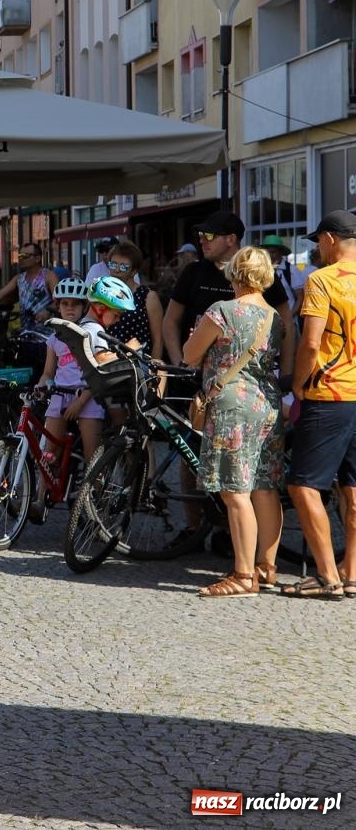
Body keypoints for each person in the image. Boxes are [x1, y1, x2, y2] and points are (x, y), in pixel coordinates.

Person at [181, 246, 284, 598]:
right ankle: (266, 568)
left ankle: (242, 574)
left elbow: (190, 354)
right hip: (267, 405)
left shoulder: (222, 311)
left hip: (232, 407)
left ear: (234, 273)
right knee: (264, 488)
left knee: (234, 490)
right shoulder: (275, 316)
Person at [286, 211, 356, 597]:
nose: (317, 248)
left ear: (330, 238)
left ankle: (327, 577)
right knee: (353, 486)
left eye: (318, 241)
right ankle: (351, 573)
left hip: (329, 392)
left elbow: (311, 342)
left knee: (303, 486)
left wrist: (298, 384)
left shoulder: (322, 279)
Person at [161, 212, 294, 391]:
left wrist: (285, 375)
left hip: (249, 383)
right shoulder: (193, 272)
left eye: (209, 235)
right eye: (201, 235)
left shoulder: (258, 276)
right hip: (193, 379)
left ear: (231, 239)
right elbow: (170, 321)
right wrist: (180, 366)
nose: (202, 240)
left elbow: (287, 324)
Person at [36, 278, 103, 470]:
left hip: (87, 395)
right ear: (58, 306)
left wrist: (80, 402)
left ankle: (92, 497)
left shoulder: (90, 334)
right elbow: (48, 372)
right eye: (65, 303)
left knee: (93, 458)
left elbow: (98, 373)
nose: (70, 308)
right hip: (60, 394)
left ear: (84, 306)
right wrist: (40, 387)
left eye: (75, 304)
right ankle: (41, 496)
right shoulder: (54, 339)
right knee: (50, 453)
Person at [103, 241, 165, 360]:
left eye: (123, 266)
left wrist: (153, 370)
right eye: (113, 264)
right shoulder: (103, 294)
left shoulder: (148, 296)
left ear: (134, 271)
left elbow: (158, 340)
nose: (116, 270)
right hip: (106, 364)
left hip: (138, 365)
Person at [0, 240, 58, 326]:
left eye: (25, 256)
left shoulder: (49, 276)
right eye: (20, 255)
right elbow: (0, 294)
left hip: (47, 332)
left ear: (37, 258)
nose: (21, 259)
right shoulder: (19, 278)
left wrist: (48, 310)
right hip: (25, 331)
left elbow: (59, 300)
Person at [260, 235, 300, 315]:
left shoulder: (291, 270)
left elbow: (300, 297)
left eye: (273, 252)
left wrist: (290, 316)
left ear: (281, 253)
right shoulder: (259, 271)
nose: (270, 256)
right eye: (267, 252)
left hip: (287, 321)